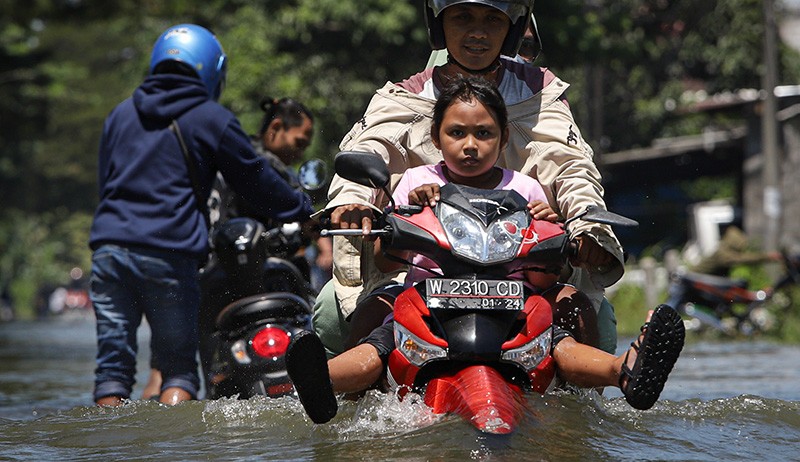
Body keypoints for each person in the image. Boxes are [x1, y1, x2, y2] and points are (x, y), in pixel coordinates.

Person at [286, 76, 685, 424]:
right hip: (425, 297)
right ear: (436, 137)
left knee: (558, 335)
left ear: (504, 137)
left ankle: (624, 371)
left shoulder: (526, 189)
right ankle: (324, 380)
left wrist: (552, 229)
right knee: (380, 333)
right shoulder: (412, 181)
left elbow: (541, 277)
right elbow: (388, 261)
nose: (471, 145)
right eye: (457, 133)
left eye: (484, 133)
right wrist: (400, 217)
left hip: (514, 299)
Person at [313, 0, 624, 360]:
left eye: (493, 19)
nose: (477, 32)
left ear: (512, 27)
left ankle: (578, 407)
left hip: (522, 271)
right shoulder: (404, 97)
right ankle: (354, 401)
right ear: (438, 23)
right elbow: (372, 148)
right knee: (331, 313)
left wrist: (586, 224)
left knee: (595, 322)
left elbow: (571, 168)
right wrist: (354, 202)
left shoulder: (542, 95)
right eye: (462, 17)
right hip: (423, 270)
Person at [88, 24, 315, 407]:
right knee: (178, 370)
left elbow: (105, 184)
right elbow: (254, 179)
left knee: (112, 371)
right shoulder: (210, 117)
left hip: (109, 252)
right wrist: (303, 210)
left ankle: (108, 446)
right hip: (167, 252)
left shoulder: (120, 114)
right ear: (211, 68)